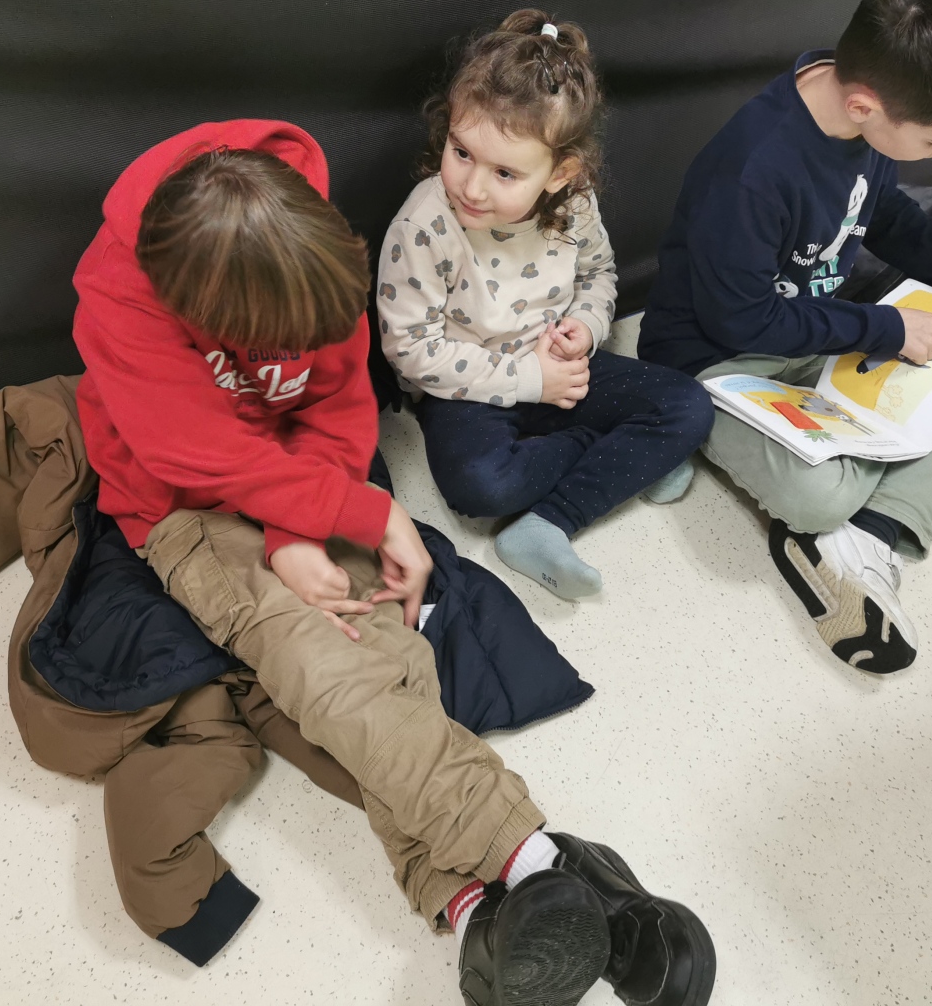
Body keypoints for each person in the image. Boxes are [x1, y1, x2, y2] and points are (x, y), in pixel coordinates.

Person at [73, 119, 715, 1005]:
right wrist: (351, 516)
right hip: (188, 510)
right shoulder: (121, 297)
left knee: (383, 661)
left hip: (310, 474)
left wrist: (313, 521)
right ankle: (545, 863)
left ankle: (473, 913)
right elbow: (196, 455)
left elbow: (338, 399)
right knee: (324, 677)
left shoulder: (300, 237)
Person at [638, 0, 932, 676]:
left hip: (815, 330)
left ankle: (873, 530)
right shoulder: (752, 171)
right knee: (816, 497)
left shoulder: (864, 115)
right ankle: (907, 458)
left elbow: (887, 215)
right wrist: (889, 332)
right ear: (863, 106)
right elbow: (742, 323)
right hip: (719, 355)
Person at [377, 9, 715, 600]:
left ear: (560, 173)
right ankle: (616, 455)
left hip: (562, 368)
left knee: (688, 406)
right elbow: (411, 350)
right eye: (461, 152)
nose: (472, 187)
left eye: (505, 173)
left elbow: (598, 274)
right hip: (468, 387)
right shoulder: (423, 225)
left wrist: (585, 325)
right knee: (481, 490)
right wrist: (529, 380)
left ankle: (550, 522)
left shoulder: (575, 204)